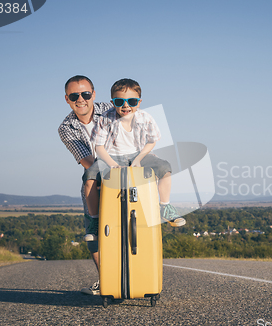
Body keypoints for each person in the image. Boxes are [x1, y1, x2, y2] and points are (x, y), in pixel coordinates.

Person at [83, 78, 185, 241]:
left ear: (139, 102)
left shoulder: (146, 118)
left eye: (131, 101)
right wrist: (112, 165)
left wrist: (139, 158)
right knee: (89, 178)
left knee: (165, 168)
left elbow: (152, 140)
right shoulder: (104, 119)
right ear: (112, 102)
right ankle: (94, 222)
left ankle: (165, 208)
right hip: (111, 156)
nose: (126, 105)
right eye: (119, 101)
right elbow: (99, 147)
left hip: (138, 154)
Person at [58, 75, 112, 295]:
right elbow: (87, 160)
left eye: (85, 94)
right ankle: (106, 279)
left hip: (129, 170)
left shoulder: (111, 108)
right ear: (67, 99)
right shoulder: (66, 128)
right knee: (95, 232)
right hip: (97, 177)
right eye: (74, 96)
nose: (81, 99)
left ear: (94, 94)